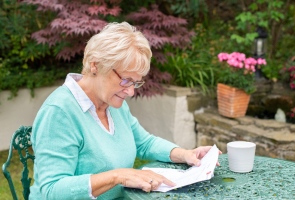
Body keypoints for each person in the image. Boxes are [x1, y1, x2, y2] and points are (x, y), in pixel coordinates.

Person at [29, 22, 219, 200]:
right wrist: (118, 176)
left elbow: (144, 143)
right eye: (126, 80)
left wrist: (185, 154)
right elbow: (51, 189)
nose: (130, 91)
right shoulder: (59, 112)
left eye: (136, 82)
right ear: (95, 65)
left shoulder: (112, 103)